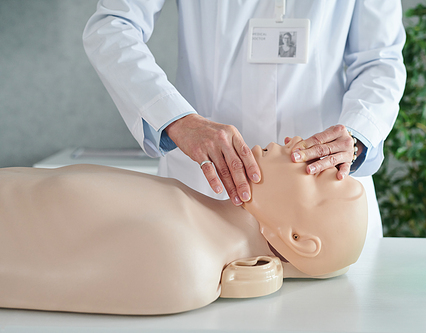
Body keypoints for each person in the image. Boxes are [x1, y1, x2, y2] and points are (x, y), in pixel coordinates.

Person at [82, 1, 406, 238]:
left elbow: (381, 59)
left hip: (325, 195)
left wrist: (360, 129)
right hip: (206, 188)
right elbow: (111, 25)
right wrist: (176, 120)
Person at [0, 137, 367, 315]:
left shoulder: (183, 262)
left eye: (317, 171)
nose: (295, 143)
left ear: (297, 239)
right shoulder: (189, 209)